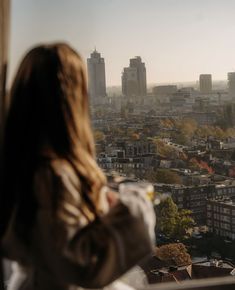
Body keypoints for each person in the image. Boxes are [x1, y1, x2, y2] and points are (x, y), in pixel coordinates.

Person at [0, 43, 155, 290]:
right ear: (72, 97)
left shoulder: (20, 165)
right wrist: (135, 206)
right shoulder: (52, 176)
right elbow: (79, 264)